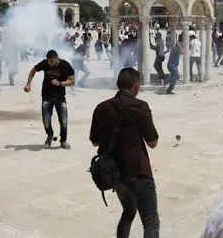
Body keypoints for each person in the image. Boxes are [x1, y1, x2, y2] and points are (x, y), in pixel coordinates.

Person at [89, 68, 160, 238]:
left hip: (115, 174)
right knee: (150, 220)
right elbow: (153, 143)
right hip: (138, 171)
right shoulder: (141, 107)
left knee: (128, 212)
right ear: (135, 86)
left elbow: (95, 142)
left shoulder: (101, 108)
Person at [24, 50, 75, 149]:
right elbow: (33, 70)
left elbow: (72, 81)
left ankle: (63, 141)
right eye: (49, 62)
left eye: (52, 61)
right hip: (46, 96)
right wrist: (28, 83)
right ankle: (50, 135)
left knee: (63, 120)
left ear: (57, 58)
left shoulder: (65, 65)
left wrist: (60, 83)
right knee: (46, 120)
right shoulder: (45, 63)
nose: (50, 64)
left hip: (60, 97)